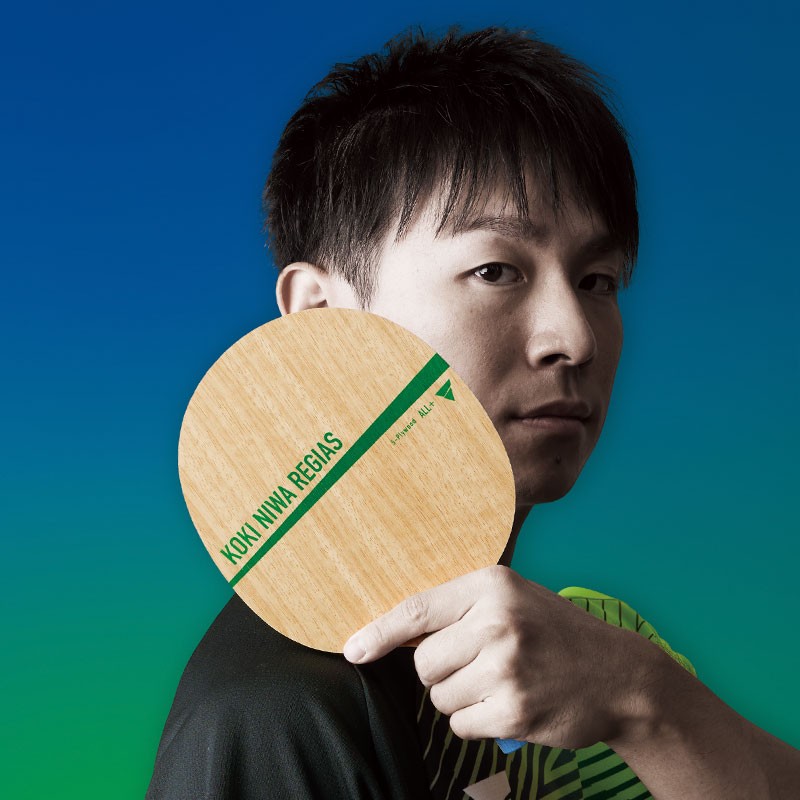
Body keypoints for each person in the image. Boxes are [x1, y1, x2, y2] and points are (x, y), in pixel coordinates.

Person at [147, 26, 800, 799]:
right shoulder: (276, 719)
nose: (575, 339)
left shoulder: (602, 654)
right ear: (322, 314)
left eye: (597, 279)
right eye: (495, 270)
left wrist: (648, 704)